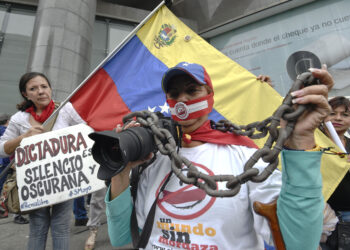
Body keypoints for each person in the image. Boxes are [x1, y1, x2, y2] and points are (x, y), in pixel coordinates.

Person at [101, 62, 333, 249]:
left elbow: (299, 243)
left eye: (192, 90)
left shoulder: (245, 157)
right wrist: (121, 170)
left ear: (209, 95)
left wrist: (301, 143)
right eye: (174, 93)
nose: (182, 99)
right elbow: (121, 237)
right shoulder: (153, 158)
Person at [0, 72, 85, 250]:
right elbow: (2, 149)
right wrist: (23, 137)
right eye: (33, 88)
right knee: (38, 228)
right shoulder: (19, 119)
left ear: (50, 89)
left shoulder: (65, 110)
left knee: (61, 228)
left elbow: (86, 131)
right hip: (34, 183)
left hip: (64, 178)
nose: (40, 91)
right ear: (25, 94)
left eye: (44, 87)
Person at [320, 96, 350, 249]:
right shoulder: (313, 142)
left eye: (345, 115)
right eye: (332, 113)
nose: (338, 118)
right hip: (323, 219)